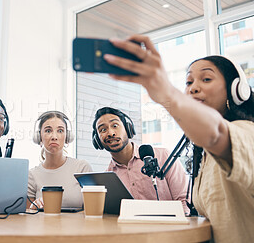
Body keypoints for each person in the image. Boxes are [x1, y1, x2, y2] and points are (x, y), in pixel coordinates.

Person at [102, 34, 254, 242]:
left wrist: (165, 93)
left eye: (206, 79)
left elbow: (216, 133)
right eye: (189, 82)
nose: (193, 88)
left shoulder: (247, 132)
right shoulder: (206, 155)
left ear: (236, 90)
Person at [92, 107, 190, 213]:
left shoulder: (163, 156)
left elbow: (184, 201)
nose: (110, 133)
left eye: (115, 126)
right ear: (98, 140)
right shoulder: (108, 177)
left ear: (128, 128)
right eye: (103, 130)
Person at [28, 111, 92, 209]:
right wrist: (33, 207)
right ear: (39, 137)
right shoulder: (32, 175)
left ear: (67, 137)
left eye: (60, 131)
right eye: (48, 131)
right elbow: (27, 217)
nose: (54, 137)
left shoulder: (82, 168)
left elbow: (92, 210)